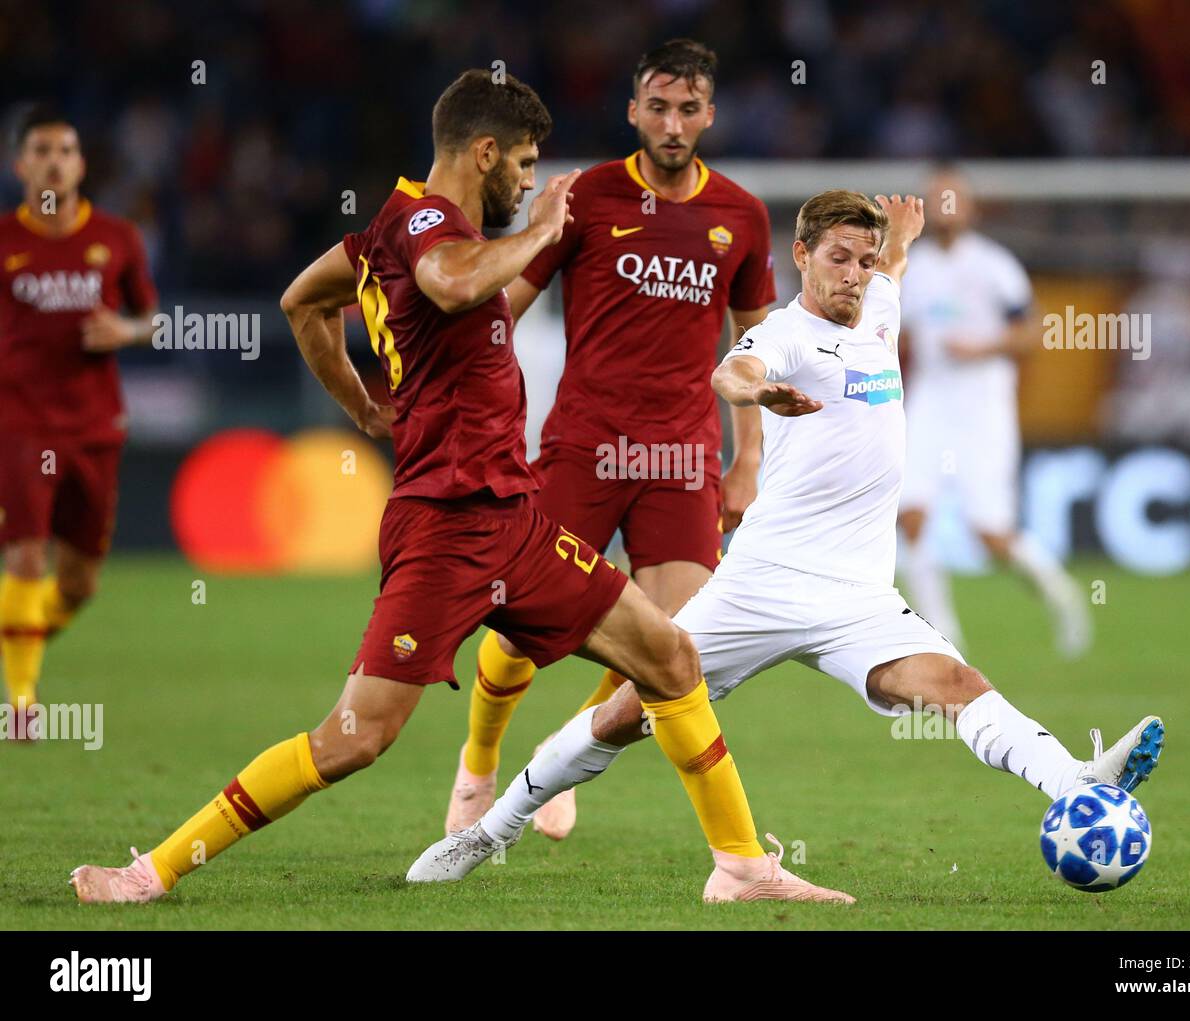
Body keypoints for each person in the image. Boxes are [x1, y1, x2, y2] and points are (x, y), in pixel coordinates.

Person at [69, 70, 849, 906]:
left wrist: (363, 402)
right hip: (444, 527)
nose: (526, 179)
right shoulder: (426, 224)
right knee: (354, 738)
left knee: (670, 655)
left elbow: (303, 301)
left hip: (512, 517)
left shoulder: (381, 233)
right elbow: (448, 281)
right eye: (521, 162)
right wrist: (544, 228)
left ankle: (742, 867)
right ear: (484, 153)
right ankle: (150, 871)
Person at [408, 190, 1163, 885]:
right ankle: (485, 834)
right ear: (800, 255)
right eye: (838, 257)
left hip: (859, 598)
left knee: (958, 686)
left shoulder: (882, 303)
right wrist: (759, 389)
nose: (855, 275)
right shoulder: (787, 335)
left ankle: (1078, 781)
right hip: (759, 585)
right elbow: (731, 371)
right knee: (618, 720)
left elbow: (889, 271)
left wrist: (894, 243)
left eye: (864, 262)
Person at [445, 39, 779, 842]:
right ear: (633, 110)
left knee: (669, 640)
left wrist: (749, 458)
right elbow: (505, 310)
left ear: (709, 114)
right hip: (585, 444)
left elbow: (753, 346)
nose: (672, 122)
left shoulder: (741, 216)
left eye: (688, 107)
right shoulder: (585, 197)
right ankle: (479, 761)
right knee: (526, 627)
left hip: (682, 457)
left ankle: (558, 759)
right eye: (657, 106)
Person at [1, 105, 158, 739]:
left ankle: (20, 630)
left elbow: (155, 319)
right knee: (27, 552)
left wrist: (124, 329)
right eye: (41, 150)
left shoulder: (118, 238)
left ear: (81, 165)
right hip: (20, 421)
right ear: (20, 166)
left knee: (81, 581)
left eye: (65, 150)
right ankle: (21, 702)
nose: (54, 161)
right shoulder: (5, 241)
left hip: (96, 426)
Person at [897, 166, 1091, 657]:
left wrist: (981, 349)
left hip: (983, 410)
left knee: (990, 535)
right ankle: (942, 639)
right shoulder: (910, 267)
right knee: (911, 515)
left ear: (970, 208)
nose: (946, 208)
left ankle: (1062, 596)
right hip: (930, 403)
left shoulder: (994, 265)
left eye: (953, 199)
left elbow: (1031, 332)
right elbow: (896, 333)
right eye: (937, 199)